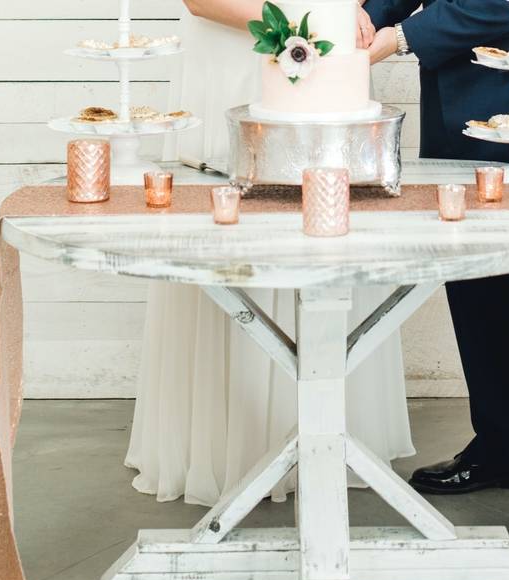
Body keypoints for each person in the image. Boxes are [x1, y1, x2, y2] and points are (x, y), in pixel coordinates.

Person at [125, 0, 413, 507]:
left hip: (326, 58)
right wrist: (305, 24)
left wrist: (350, 17)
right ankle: (228, 444)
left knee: (328, 217)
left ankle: (324, 431)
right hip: (237, 58)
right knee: (234, 232)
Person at [365, 0, 509, 553]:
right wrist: (368, 14)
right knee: (476, 286)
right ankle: (507, 446)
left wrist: (398, 37)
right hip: (456, 100)